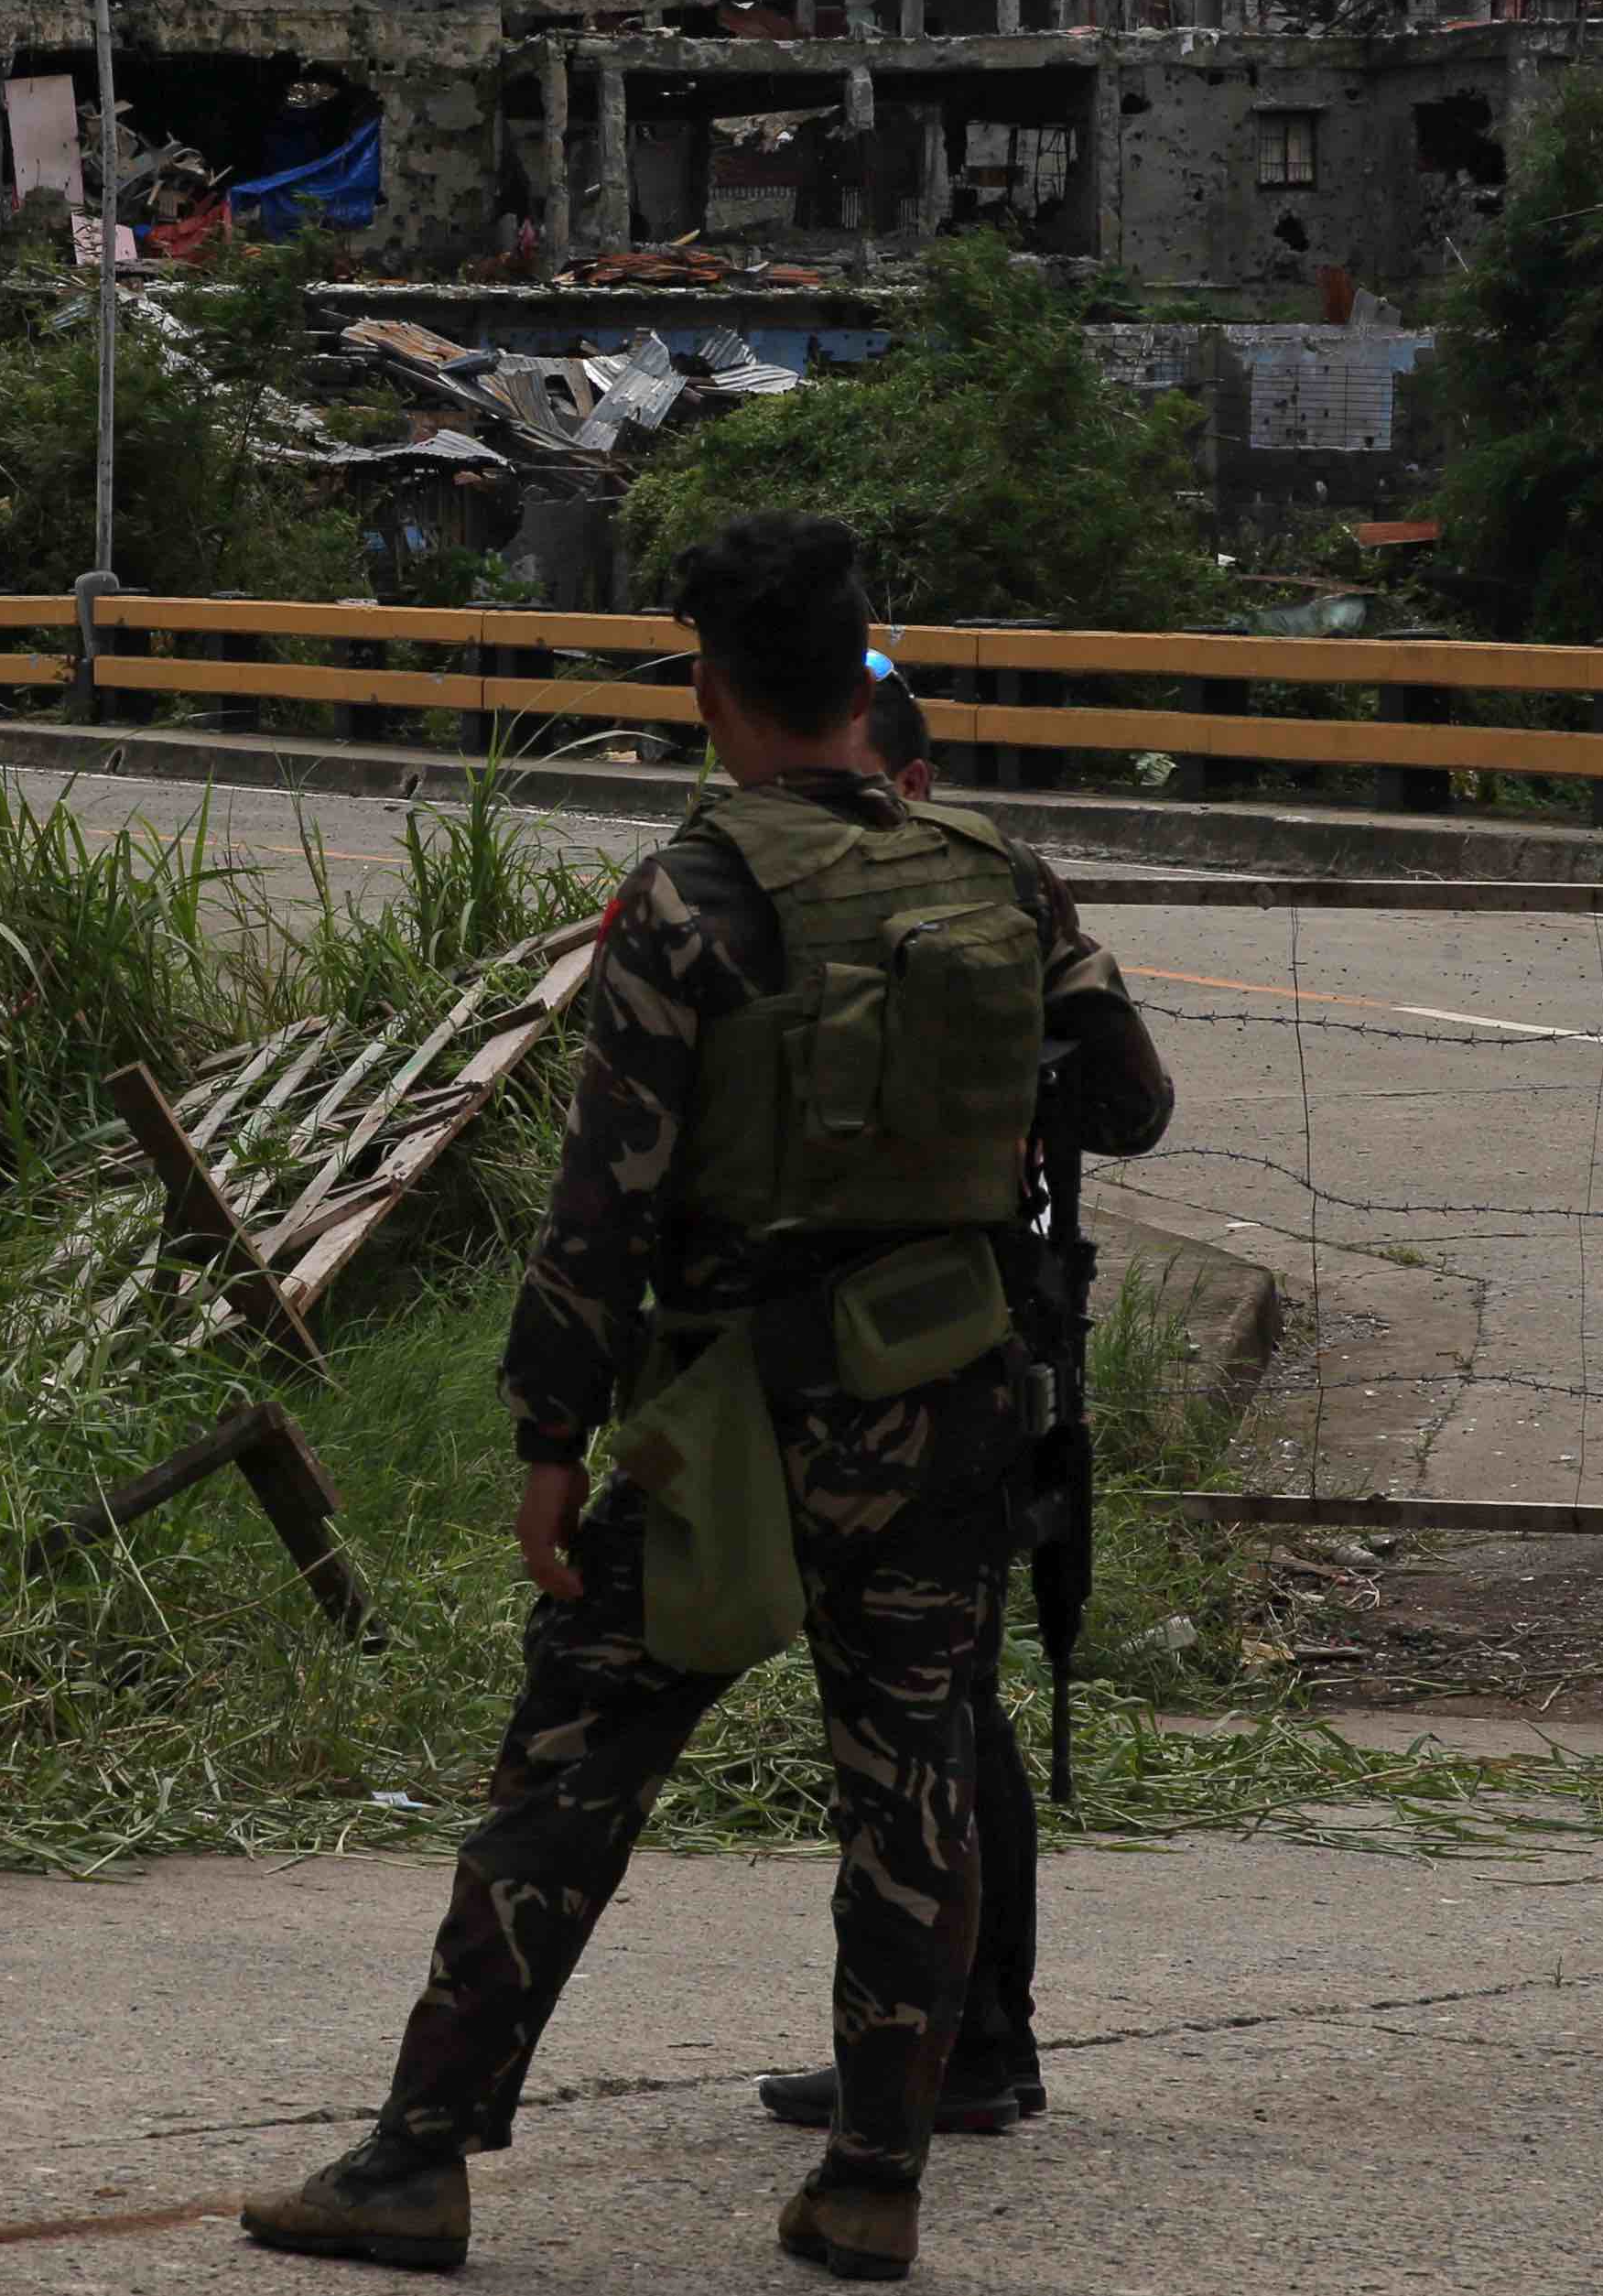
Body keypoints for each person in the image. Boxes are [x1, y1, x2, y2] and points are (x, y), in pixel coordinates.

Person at [238, 514, 1137, 2284]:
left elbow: (604, 1204)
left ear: (711, 688)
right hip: (953, 1399)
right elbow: (1128, 1101)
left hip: (741, 1414)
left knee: (575, 1761)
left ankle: (419, 2158)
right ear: (862, 664)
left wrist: (547, 1444)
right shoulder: (1003, 874)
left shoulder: (691, 897)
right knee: (915, 1784)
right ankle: (874, 2178)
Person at [753, 655, 1174, 2146]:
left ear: (917, 783)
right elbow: (1130, 1105)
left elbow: (1128, 1106)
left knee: (946, 1704)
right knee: (932, 1700)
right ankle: (947, 2036)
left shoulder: (985, 887)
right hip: (923, 1346)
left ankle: (966, 2038)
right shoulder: (948, 885)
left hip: (940, 1351)